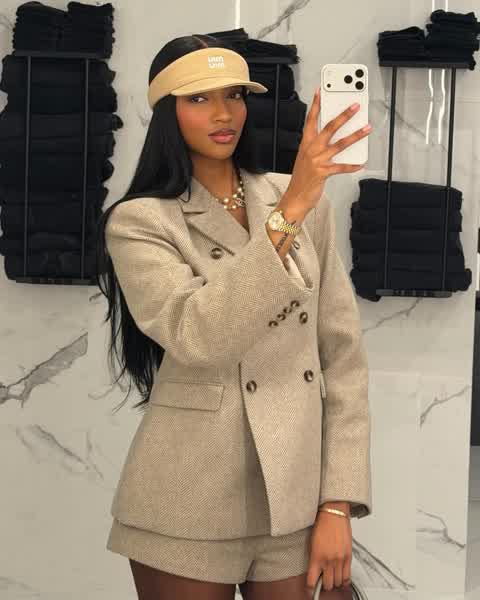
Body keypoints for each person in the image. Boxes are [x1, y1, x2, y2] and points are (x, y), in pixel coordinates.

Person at [96, 34, 373, 600]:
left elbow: (343, 359)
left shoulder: (301, 200)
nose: (223, 114)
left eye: (234, 95)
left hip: (294, 498)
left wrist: (338, 503)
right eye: (199, 98)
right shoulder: (140, 222)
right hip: (188, 499)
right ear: (167, 111)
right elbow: (199, 334)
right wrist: (291, 208)